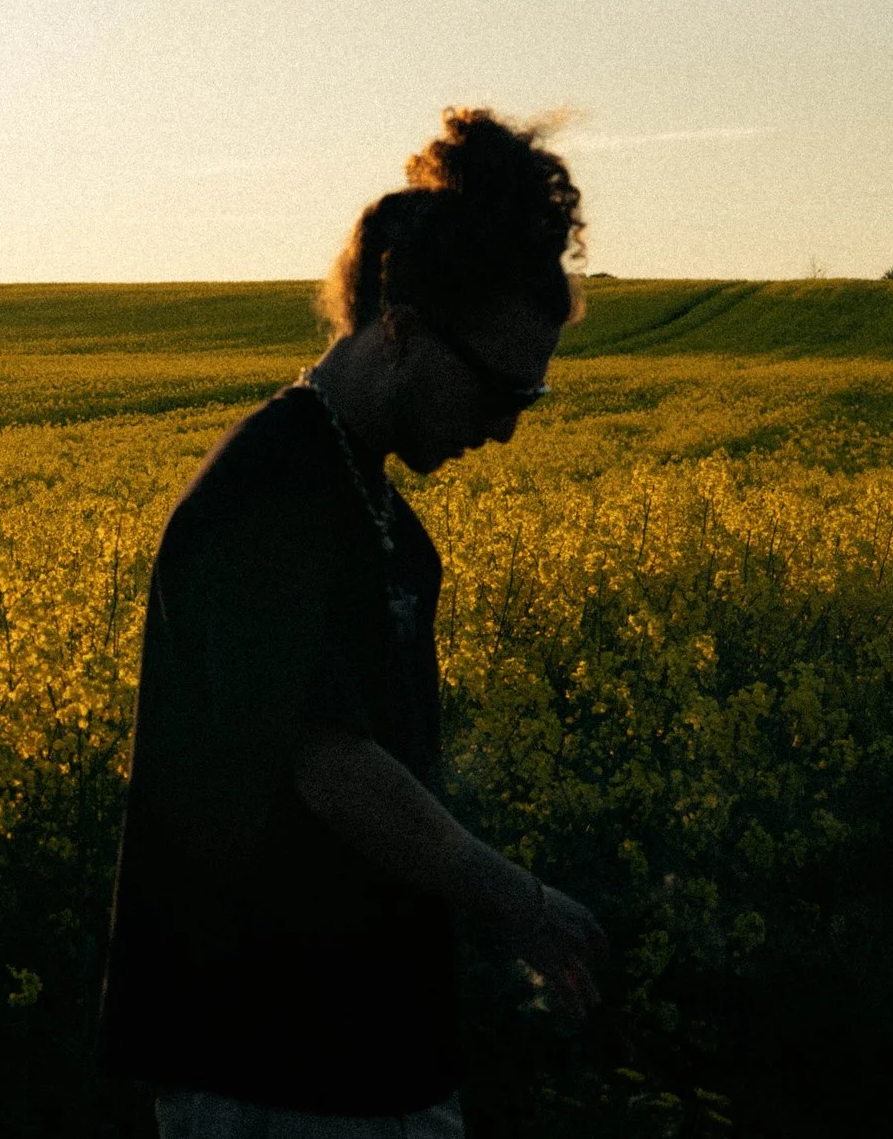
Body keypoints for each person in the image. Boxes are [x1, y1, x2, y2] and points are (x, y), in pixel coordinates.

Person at [96, 108, 610, 1138]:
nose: (508, 424)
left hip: (367, 1060)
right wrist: (516, 898)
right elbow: (328, 763)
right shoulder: (269, 494)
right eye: (499, 386)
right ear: (402, 327)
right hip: (264, 1065)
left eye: (533, 394)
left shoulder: (382, 518)